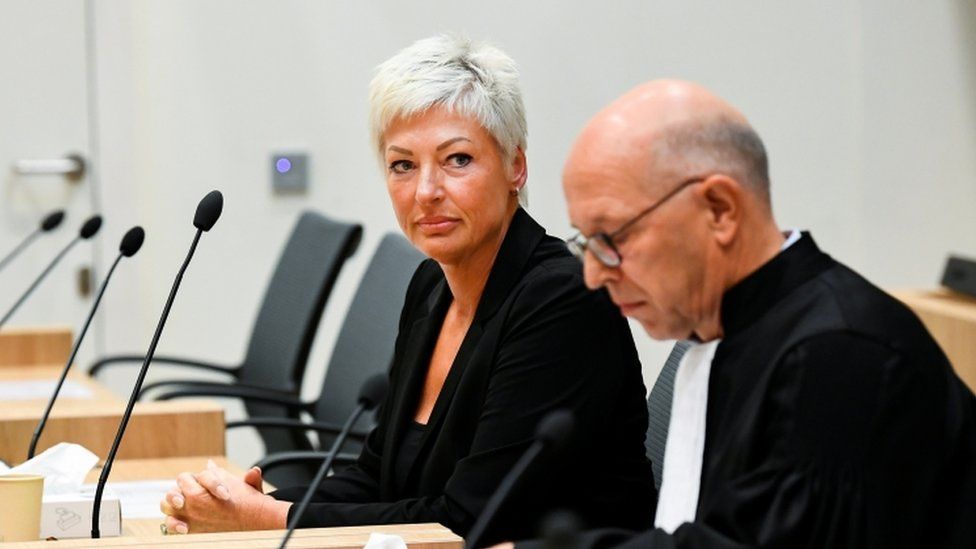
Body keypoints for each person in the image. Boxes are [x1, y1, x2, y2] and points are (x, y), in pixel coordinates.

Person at [159, 35, 655, 545]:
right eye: (403, 165)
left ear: (515, 167)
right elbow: (378, 475)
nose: (426, 192)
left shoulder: (562, 302)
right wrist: (263, 502)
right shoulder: (431, 286)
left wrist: (266, 519)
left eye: (457, 159)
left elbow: (470, 520)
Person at [500, 79, 976, 548]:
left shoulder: (841, 354)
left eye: (612, 238)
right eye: (585, 242)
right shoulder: (729, 332)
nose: (593, 276)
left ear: (720, 209)